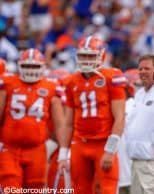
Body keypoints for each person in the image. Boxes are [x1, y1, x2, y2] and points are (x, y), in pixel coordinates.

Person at [57, 35, 126, 194]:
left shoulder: (111, 77)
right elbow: (68, 122)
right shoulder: (71, 81)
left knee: (107, 189)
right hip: (79, 144)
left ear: (101, 55)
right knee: (80, 189)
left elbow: (120, 117)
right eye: (83, 56)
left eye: (90, 56)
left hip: (102, 143)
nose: (86, 60)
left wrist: (110, 150)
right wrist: (62, 153)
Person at [0, 48, 65, 190]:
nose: (30, 70)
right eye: (27, 66)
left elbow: (59, 124)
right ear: (19, 66)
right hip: (10, 149)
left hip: (37, 150)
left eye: (34, 66)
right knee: (11, 188)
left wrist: (64, 150)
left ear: (42, 67)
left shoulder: (51, 87)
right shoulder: (8, 83)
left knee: (35, 188)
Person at [125, 54, 154, 194]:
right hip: (136, 160)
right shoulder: (139, 94)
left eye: (147, 68)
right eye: (140, 69)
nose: (143, 72)